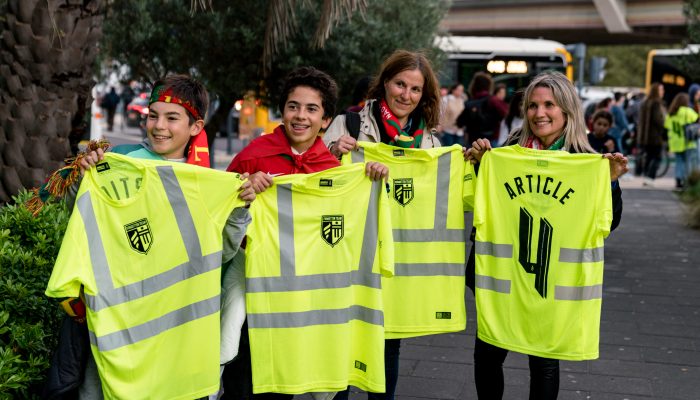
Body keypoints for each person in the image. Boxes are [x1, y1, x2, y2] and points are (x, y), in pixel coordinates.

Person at [49, 74, 255, 399]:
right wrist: (83, 179)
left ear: (196, 127)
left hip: (176, 332)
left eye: (172, 118)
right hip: (117, 323)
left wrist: (240, 208)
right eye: (153, 115)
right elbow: (85, 223)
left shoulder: (207, 184)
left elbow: (223, 253)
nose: (159, 126)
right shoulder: (121, 162)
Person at [223, 66, 388, 399]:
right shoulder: (252, 156)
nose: (301, 116)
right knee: (242, 372)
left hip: (305, 291)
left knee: (295, 375)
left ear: (326, 120)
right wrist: (241, 194)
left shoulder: (333, 168)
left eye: (312, 109)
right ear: (282, 111)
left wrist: (370, 178)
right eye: (293, 106)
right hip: (257, 285)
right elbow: (219, 217)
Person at [465, 71, 628, 400]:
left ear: (567, 110)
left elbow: (606, 223)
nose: (539, 113)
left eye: (549, 105)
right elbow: (489, 202)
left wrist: (609, 182)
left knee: (543, 362)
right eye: (532, 105)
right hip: (502, 277)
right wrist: (484, 163)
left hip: (551, 282)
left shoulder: (586, 161)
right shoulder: (508, 151)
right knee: (487, 356)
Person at [323, 49, 442, 400]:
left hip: (398, 250)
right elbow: (318, 177)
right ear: (385, 83)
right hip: (353, 247)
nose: (406, 95)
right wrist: (332, 152)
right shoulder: (352, 123)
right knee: (345, 334)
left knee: (390, 342)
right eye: (399, 84)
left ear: (424, 95)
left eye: (415, 89)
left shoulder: (429, 139)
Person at [457, 72, 508, 144]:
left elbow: (459, 122)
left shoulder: (470, 103)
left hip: (474, 142)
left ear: (474, 86)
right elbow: (506, 114)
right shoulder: (494, 101)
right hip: (491, 141)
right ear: (489, 86)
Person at [664, 92, 699, 189]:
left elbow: (666, 126)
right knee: (688, 162)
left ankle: (678, 180)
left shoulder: (671, 113)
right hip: (687, 141)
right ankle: (685, 180)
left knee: (679, 161)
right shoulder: (687, 111)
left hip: (675, 142)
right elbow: (697, 119)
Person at [637, 83, 666, 186]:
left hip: (644, 136)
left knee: (648, 157)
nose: (663, 92)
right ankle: (650, 177)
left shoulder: (645, 103)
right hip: (655, 136)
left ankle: (646, 177)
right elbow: (659, 120)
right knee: (657, 157)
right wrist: (665, 126)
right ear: (656, 91)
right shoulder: (656, 103)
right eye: (661, 90)